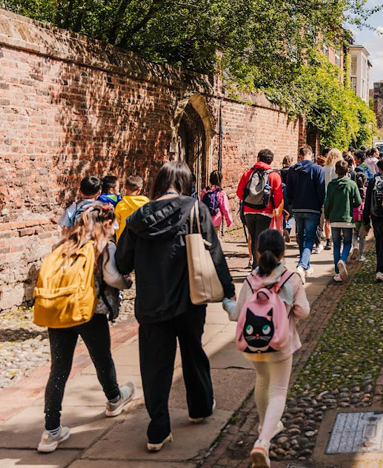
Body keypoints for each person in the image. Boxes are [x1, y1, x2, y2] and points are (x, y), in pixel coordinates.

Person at [116, 161, 235, 452]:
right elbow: (215, 254)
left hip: (151, 303)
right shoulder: (195, 209)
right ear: (185, 183)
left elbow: (122, 263)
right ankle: (200, 407)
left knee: (155, 366)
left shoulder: (138, 216)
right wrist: (229, 294)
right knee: (194, 352)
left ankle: (158, 429)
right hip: (190, 299)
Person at [38, 203, 135, 453]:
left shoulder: (61, 246)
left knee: (58, 369)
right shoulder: (103, 246)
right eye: (111, 224)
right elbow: (113, 277)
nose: (113, 229)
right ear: (104, 223)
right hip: (89, 313)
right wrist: (127, 282)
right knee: (102, 359)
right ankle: (114, 400)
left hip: (59, 311)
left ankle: (50, 431)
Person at [226, 229, 309, 468]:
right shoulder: (290, 279)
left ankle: (265, 425)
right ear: (283, 253)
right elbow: (303, 311)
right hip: (281, 344)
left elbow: (239, 312)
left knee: (262, 382)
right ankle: (263, 441)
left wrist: (226, 303)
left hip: (254, 344)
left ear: (258, 252)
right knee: (278, 391)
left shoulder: (251, 280)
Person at [237, 150, 284, 270]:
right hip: (265, 212)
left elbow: (239, 192)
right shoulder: (274, 175)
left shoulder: (248, 173)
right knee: (261, 240)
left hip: (248, 211)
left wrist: (249, 201)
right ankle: (258, 267)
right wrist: (275, 206)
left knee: (253, 237)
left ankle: (255, 265)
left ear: (258, 159)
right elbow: (278, 196)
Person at [286, 145, 325, 283]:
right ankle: (301, 266)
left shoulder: (292, 170)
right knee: (309, 239)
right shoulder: (317, 169)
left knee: (301, 237)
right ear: (311, 154)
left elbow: (288, 190)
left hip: (297, 208)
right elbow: (321, 190)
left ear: (300, 155)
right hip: (312, 208)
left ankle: (306, 267)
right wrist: (320, 205)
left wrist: (292, 203)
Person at [323, 161, 362, 282]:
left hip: (334, 218)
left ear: (335, 171)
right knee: (347, 242)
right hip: (347, 218)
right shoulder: (352, 184)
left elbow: (327, 202)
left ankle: (337, 272)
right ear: (348, 171)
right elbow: (359, 201)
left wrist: (327, 216)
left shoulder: (331, 185)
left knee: (336, 244)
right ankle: (343, 260)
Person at [115, 175, 149, 242]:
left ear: (124, 187)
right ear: (139, 189)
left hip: (123, 242)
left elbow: (116, 226)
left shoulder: (120, 205)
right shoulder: (146, 203)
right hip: (141, 241)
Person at [321, 149, 343, 251]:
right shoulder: (339, 168)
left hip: (326, 194)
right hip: (338, 194)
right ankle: (340, 237)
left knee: (327, 219)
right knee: (340, 217)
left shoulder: (324, 168)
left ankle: (328, 240)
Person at [280, 156, 295, 244]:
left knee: (283, 214)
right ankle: (288, 229)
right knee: (292, 215)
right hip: (290, 195)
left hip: (282, 195)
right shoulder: (292, 171)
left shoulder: (280, 171)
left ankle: (283, 230)